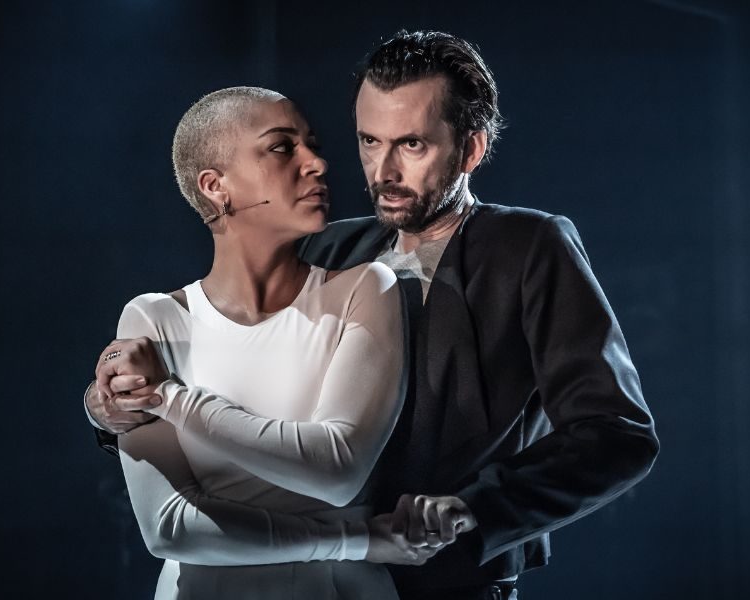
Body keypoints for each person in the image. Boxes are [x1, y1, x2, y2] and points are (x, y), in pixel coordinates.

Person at [89, 31, 659, 600]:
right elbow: (231, 361)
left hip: (454, 581)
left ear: (470, 150)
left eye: (411, 145)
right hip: (324, 573)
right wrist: (110, 405)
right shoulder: (325, 248)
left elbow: (615, 434)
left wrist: (475, 507)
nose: (382, 170)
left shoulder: (531, 246)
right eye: (368, 140)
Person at [96, 85, 450, 599]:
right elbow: (171, 528)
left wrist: (170, 398)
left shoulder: (366, 288)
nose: (318, 164)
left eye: (313, 144)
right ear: (216, 186)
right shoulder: (153, 317)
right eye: (283, 148)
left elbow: (336, 471)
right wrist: (354, 541)